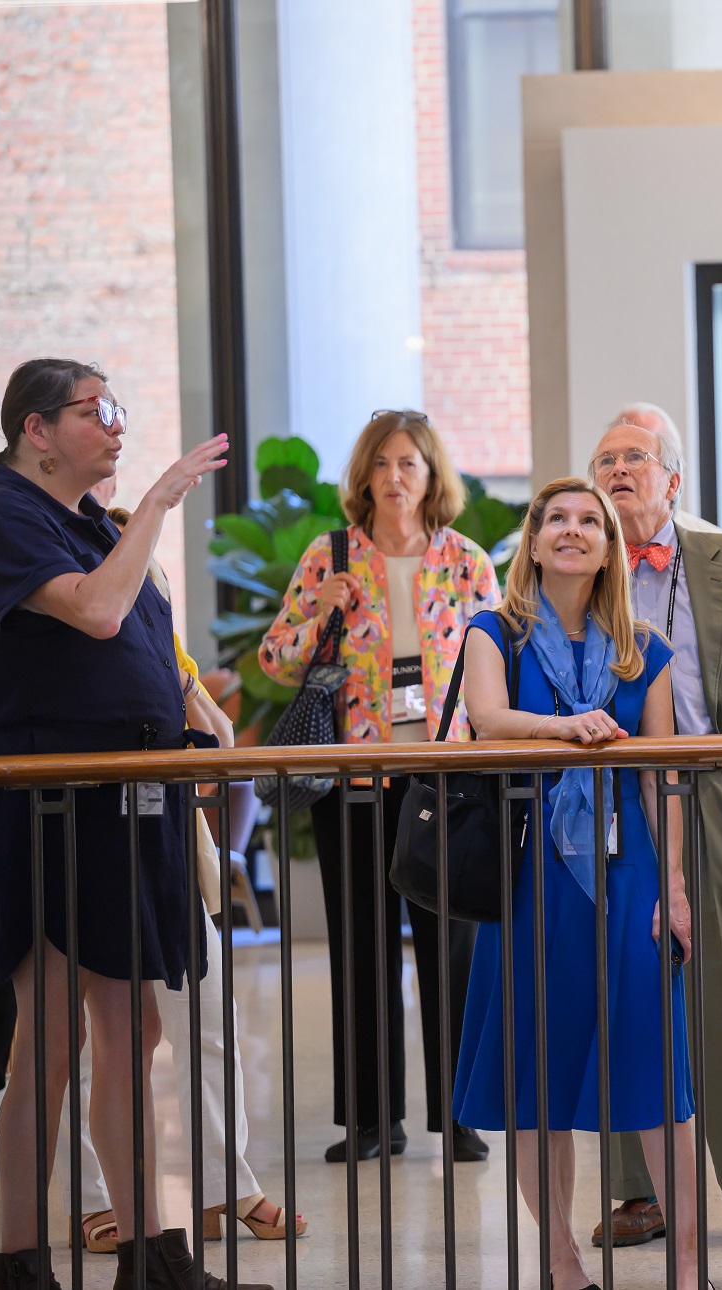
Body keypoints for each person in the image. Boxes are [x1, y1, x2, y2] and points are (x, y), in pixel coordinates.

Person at [0, 358, 267, 1290]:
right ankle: (23, 1255)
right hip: (61, 806)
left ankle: (154, 1254)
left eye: (119, 408)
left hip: (129, 799)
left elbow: (150, 642)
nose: (117, 424)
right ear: (35, 429)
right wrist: (155, 501)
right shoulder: (7, 511)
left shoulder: (88, 523)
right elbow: (100, 613)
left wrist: (197, 714)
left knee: (134, 1026)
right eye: (96, 409)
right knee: (51, 1037)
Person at [452, 478, 698, 1290]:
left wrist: (678, 886)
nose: (571, 529)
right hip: (529, 879)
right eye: (555, 518)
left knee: (656, 1072)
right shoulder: (496, 632)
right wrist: (568, 728)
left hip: (630, 879)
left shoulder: (643, 648)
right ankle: (560, 1262)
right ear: (532, 541)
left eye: (588, 520)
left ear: (608, 545)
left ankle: (689, 1263)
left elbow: (665, 780)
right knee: (536, 1077)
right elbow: (487, 720)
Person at [585, 403, 722, 1252]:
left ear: (673, 478)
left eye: (634, 457)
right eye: (604, 459)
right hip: (613, 800)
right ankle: (636, 1191)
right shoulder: (581, 564)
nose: (616, 472)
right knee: (622, 991)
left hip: (721, 793)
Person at [259, 409, 498, 1165]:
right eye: (382, 464)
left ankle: (458, 1115)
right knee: (360, 941)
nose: (395, 478)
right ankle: (369, 1120)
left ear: (433, 476)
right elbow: (275, 657)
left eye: (410, 464)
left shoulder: (466, 562)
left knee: (450, 947)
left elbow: (500, 661)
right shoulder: (329, 557)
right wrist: (316, 619)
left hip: (443, 775)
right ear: (364, 476)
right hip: (353, 778)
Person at [73, 526, 304, 1254]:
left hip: (167, 842)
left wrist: (178, 684)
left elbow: (221, 739)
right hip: (80, 840)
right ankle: (91, 1200)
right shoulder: (58, 631)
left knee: (207, 1014)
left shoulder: (161, 641)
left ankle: (225, 1188)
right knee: (89, 1037)